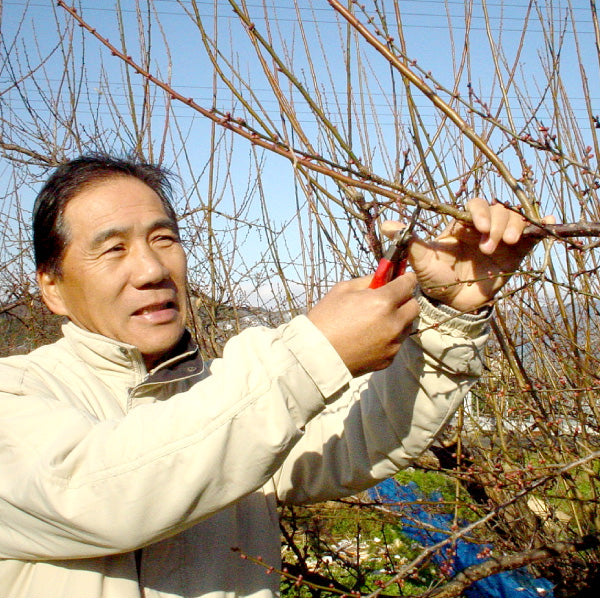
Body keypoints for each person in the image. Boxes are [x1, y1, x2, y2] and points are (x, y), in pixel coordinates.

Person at [0, 154, 552, 598]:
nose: (151, 270)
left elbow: (358, 438)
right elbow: (101, 491)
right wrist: (312, 352)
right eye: (113, 248)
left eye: (164, 239)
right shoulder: (16, 394)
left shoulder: (227, 398)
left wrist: (448, 313)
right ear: (51, 286)